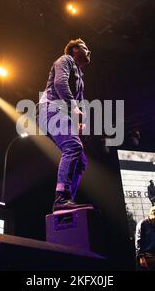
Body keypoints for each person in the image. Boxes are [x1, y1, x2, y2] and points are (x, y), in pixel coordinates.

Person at [38, 38, 93, 213]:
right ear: (75, 50)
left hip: (60, 113)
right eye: (86, 48)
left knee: (81, 161)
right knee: (72, 146)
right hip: (51, 109)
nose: (89, 52)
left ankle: (67, 201)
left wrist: (79, 119)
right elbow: (59, 83)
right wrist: (74, 108)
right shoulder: (65, 60)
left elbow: (80, 100)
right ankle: (61, 198)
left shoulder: (80, 76)